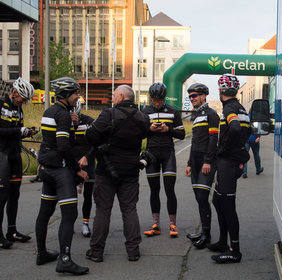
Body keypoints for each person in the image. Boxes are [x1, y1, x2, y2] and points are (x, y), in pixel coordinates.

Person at [85, 85, 150, 263]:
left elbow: (90, 135)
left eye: (114, 95)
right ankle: (133, 251)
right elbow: (145, 135)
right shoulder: (142, 118)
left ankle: (96, 251)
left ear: (121, 96)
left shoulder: (109, 114)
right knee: (129, 209)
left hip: (107, 169)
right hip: (130, 170)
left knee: (103, 210)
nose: (112, 98)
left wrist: (104, 141)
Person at [35, 77, 89, 275]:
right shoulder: (64, 115)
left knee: (45, 212)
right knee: (70, 214)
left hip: (47, 168)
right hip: (60, 169)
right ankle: (64, 260)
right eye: (75, 93)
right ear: (66, 95)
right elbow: (65, 147)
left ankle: (41, 253)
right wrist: (78, 170)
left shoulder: (49, 111)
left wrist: (72, 125)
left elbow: (50, 140)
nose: (78, 97)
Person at [209, 74, 251, 264]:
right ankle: (223, 242)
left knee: (227, 206)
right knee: (217, 202)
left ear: (220, 91)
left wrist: (224, 149)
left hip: (228, 162)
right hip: (232, 161)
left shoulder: (229, 108)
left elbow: (234, 128)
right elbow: (248, 130)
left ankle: (235, 250)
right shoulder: (241, 107)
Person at [141, 82, 185, 238]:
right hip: (152, 154)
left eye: (159, 100)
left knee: (169, 190)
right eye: (154, 99)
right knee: (154, 190)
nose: (156, 103)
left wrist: (168, 130)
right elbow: (139, 134)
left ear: (164, 98)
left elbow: (182, 134)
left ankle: (173, 224)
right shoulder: (145, 112)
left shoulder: (173, 112)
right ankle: (155, 225)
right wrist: (149, 130)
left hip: (168, 154)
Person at [0, 77, 36, 249]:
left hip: (15, 154)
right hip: (2, 155)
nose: (25, 102)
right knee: (2, 196)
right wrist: (18, 130)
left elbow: (16, 131)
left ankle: (12, 231)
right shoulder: (2, 105)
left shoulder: (18, 108)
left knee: (15, 194)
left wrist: (26, 132)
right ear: (15, 93)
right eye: (23, 98)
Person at [184, 83, 219, 249]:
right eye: (190, 96)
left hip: (206, 161)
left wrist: (208, 161)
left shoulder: (211, 114)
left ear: (203, 96)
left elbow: (213, 140)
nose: (192, 99)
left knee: (203, 198)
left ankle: (207, 234)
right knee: (199, 199)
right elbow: (194, 142)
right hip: (196, 162)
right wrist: (189, 163)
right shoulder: (196, 115)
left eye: (194, 96)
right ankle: (204, 231)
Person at [71, 101, 95, 237]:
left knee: (88, 195)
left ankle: (85, 223)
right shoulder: (64, 121)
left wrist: (87, 156)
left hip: (88, 160)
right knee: (70, 194)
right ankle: (69, 221)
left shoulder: (88, 121)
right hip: (72, 160)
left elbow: (97, 142)